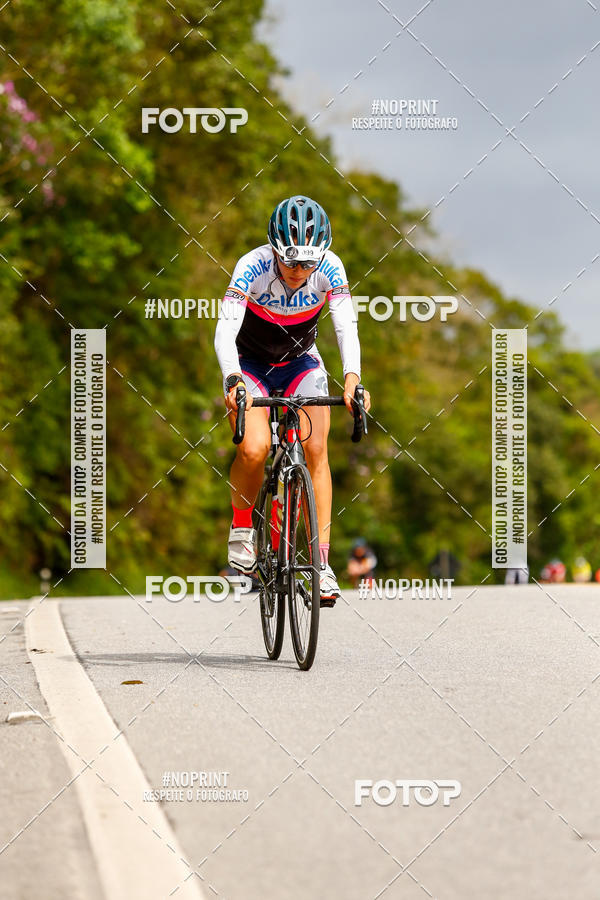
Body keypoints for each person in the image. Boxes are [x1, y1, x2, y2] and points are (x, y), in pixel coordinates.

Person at [214, 195, 371, 607]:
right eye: (291, 263)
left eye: (308, 264)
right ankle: (244, 529)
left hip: (301, 364)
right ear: (273, 248)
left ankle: (320, 565)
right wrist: (233, 380)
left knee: (316, 448)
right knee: (254, 449)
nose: (300, 272)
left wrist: (353, 380)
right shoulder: (252, 266)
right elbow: (224, 330)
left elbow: (345, 328)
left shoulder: (331, 268)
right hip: (249, 365)